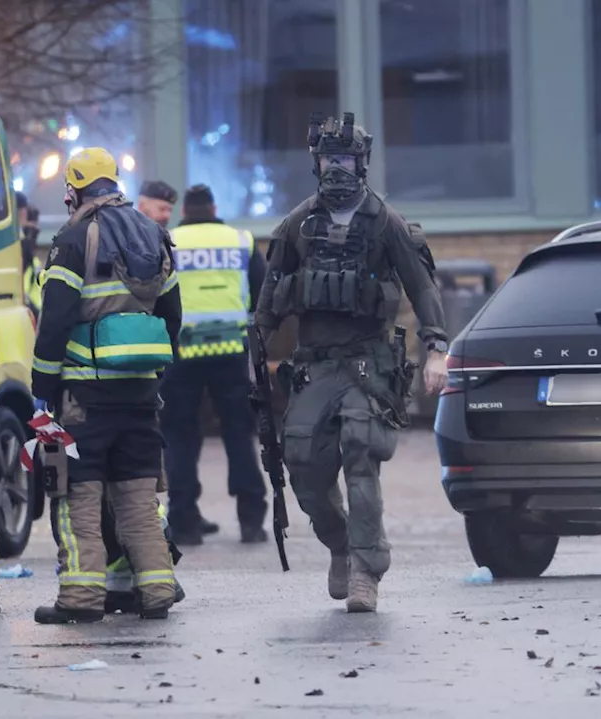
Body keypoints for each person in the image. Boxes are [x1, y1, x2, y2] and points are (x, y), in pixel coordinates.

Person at [254, 113, 448, 613]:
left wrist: (437, 349)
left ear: (361, 163)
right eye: (327, 160)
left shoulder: (386, 223)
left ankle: (366, 567)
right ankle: (340, 545)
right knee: (304, 471)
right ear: (315, 163)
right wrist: (254, 348)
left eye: (344, 159)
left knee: (361, 459)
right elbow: (271, 296)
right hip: (314, 365)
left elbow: (423, 288)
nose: (335, 169)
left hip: (367, 362)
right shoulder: (299, 224)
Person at [31, 147, 180, 624]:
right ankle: (156, 591)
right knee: (138, 498)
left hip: (84, 396)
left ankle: (80, 599)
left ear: (74, 189)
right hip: (139, 392)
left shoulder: (74, 237)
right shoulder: (154, 233)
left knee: (78, 501)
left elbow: (54, 319)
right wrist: (154, 373)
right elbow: (172, 315)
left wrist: (43, 386)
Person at [161, 183, 269, 546]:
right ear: (214, 207)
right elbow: (263, 291)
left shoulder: (169, 240)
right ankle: (251, 519)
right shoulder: (240, 240)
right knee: (239, 434)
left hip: (181, 353)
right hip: (230, 351)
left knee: (180, 438)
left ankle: (184, 521)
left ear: (185, 211)